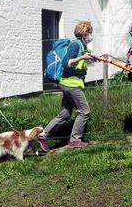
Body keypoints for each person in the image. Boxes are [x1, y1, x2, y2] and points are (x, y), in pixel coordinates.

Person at [38, 21, 96, 151]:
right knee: (84, 111)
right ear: (84, 33)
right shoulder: (75, 45)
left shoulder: (81, 46)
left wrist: (89, 58)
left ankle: (43, 136)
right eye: (90, 33)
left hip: (69, 83)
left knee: (65, 114)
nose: (91, 35)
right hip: (71, 85)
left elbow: (78, 63)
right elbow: (66, 63)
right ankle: (75, 140)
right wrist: (82, 58)